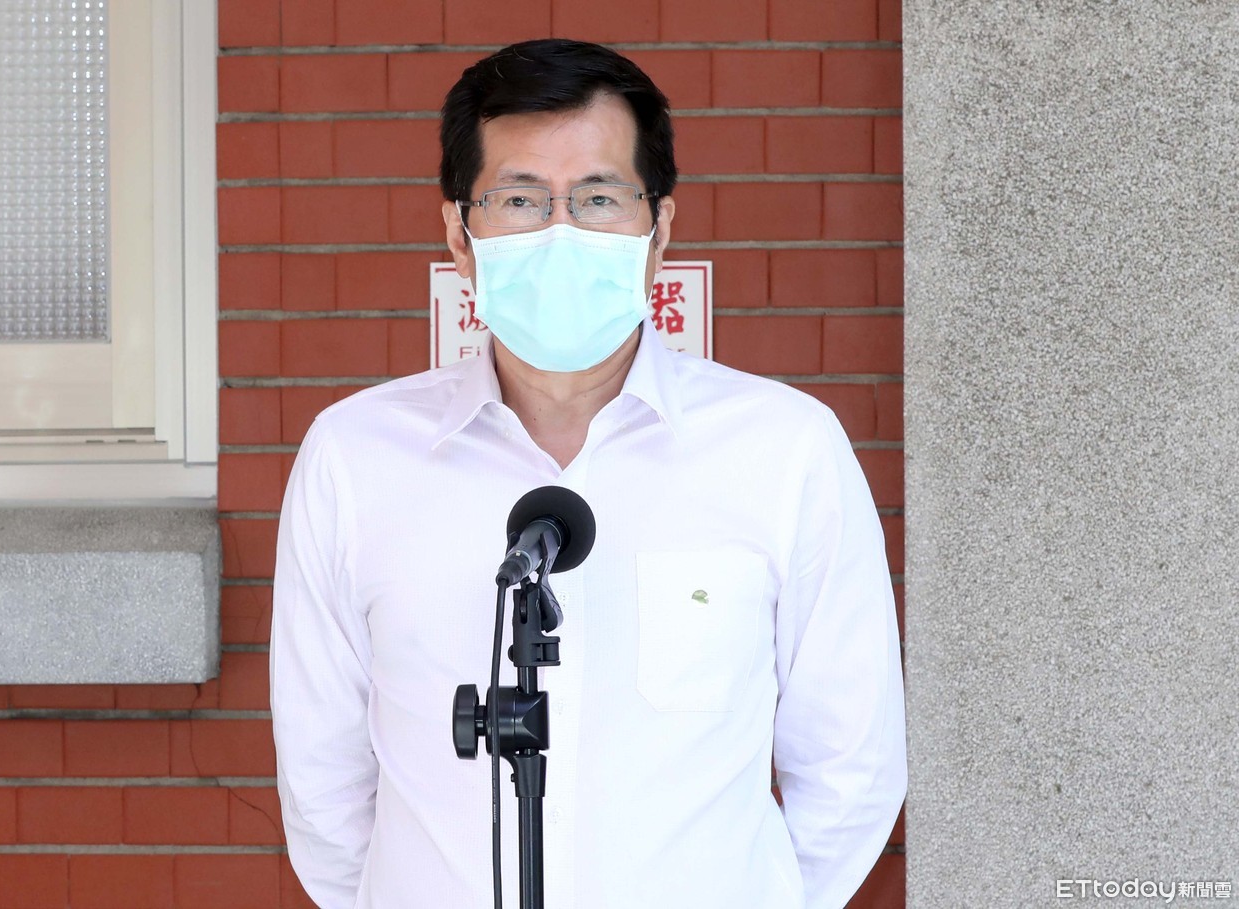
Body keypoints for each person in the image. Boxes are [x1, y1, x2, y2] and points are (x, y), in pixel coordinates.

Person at [271, 38, 906, 909]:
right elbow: (323, 781)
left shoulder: (784, 450)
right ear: (460, 236)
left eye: (600, 197)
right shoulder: (355, 459)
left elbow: (851, 765)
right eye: (521, 199)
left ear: (658, 231)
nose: (561, 232)